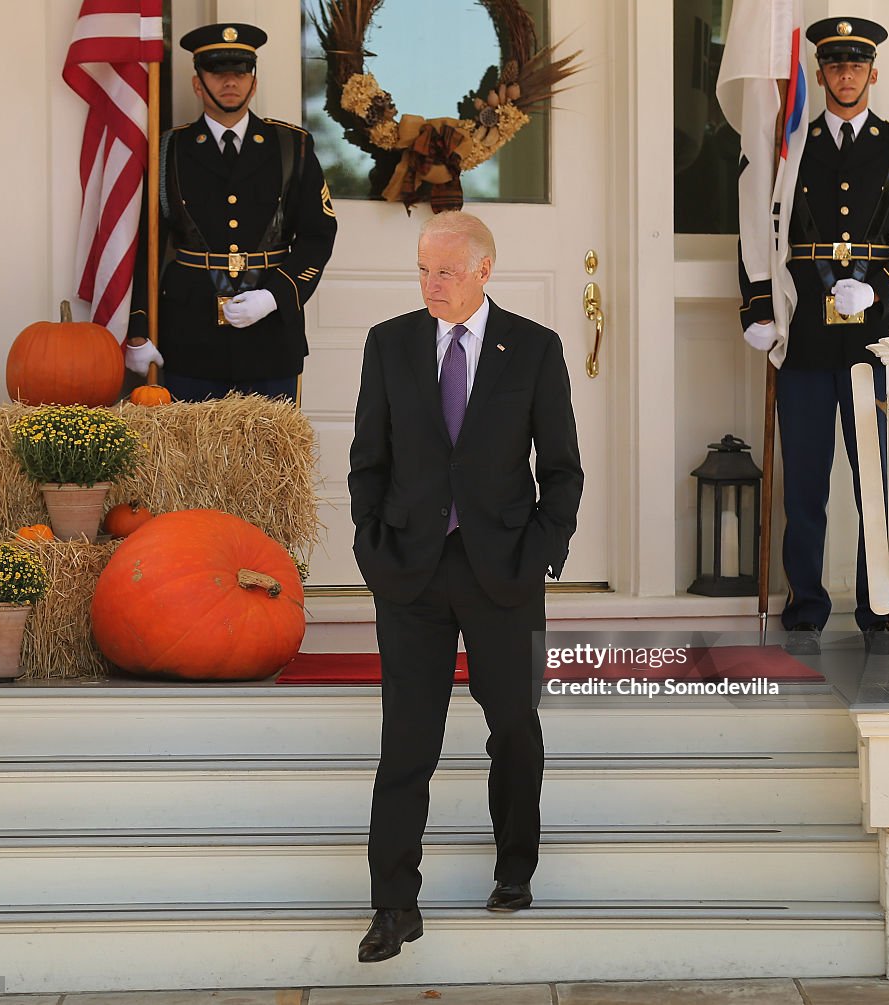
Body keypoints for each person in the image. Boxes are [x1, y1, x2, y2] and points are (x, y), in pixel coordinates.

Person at [348, 211, 584, 963]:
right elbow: (367, 458)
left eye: (445, 271)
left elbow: (564, 468)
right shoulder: (389, 344)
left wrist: (543, 548)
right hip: (410, 571)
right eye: (422, 270)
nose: (431, 285)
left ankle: (514, 870)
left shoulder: (535, 349)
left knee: (513, 723)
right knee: (406, 741)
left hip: (503, 571)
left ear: (485, 268)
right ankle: (393, 905)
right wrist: (371, 545)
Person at [738, 16, 889, 656]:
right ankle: (806, 604)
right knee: (806, 481)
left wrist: (879, 290)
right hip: (808, 336)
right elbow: (757, 228)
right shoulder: (789, 146)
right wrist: (759, 307)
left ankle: (876, 602)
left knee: (875, 479)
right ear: (820, 73)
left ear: (872, 73)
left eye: (856, 65)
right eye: (834, 65)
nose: (845, 75)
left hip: (876, 339)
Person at [125, 22, 337, 402]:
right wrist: (138, 327)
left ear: (253, 82)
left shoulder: (292, 146)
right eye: (217, 71)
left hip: (270, 336)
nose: (230, 81)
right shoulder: (168, 151)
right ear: (197, 82)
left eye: (240, 71)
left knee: (271, 458)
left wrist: (274, 296)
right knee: (190, 457)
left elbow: (318, 235)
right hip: (190, 333)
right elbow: (144, 244)